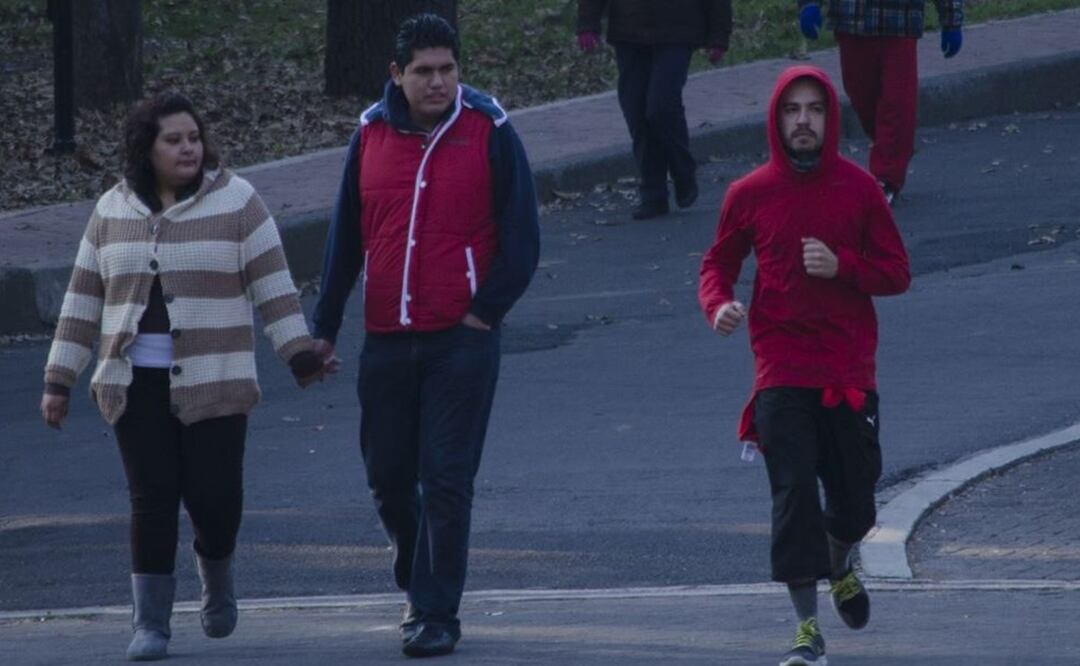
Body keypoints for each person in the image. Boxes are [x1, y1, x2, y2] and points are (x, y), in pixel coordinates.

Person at [40, 92, 328, 661]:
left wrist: (300, 354)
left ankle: (217, 576)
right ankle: (150, 624)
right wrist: (58, 380)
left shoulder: (237, 202)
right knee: (153, 497)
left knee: (214, 498)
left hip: (216, 379)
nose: (187, 148)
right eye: (173, 140)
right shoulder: (111, 211)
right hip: (132, 381)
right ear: (146, 148)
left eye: (193, 137)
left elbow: (273, 282)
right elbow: (82, 299)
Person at [311, 13, 540, 659]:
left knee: (445, 477)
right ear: (397, 75)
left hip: (461, 341)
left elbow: (522, 238)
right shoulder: (371, 133)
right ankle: (418, 575)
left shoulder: (489, 128)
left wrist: (483, 313)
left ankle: (435, 611)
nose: (438, 82)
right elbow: (344, 239)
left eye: (447, 70)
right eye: (424, 72)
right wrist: (324, 328)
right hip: (385, 339)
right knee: (388, 478)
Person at [698, 66, 910, 665]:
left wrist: (842, 264)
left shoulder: (860, 189)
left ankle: (840, 559)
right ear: (776, 119)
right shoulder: (750, 193)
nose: (803, 121)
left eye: (814, 110)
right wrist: (719, 306)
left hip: (846, 371)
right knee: (791, 495)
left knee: (856, 501)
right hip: (780, 367)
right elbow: (716, 264)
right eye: (792, 110)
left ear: (830, 118)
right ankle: (806, 630)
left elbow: (897, 272)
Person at [797, 0, 965, 204]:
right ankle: (896, 147)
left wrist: (951, 22)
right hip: (852, 21)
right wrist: (808, 5)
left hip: (899, 22)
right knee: (862, 96)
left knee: (898, 101)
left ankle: (886, 178)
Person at [577, 0, 733, 219]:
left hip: (678, 29)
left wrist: (718, 36)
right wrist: (587, 23)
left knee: (662, 106)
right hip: (629, 30)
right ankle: (653, 193)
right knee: (636, 111)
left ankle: (682, 168)